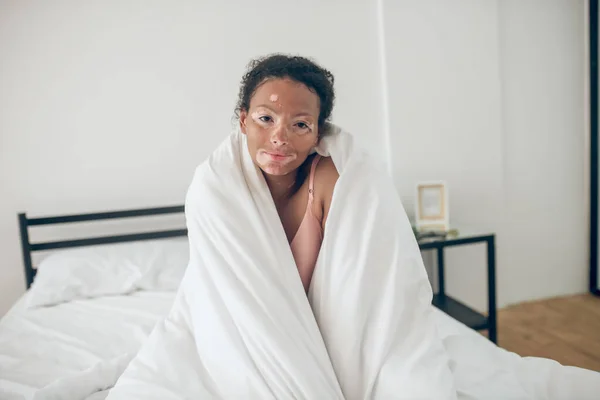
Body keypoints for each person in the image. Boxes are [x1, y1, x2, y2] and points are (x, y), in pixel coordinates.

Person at [236, 54, 339, 293]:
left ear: (318, 134)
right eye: (265, 119)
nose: (279, 138)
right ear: (243, 121)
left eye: (301, 125)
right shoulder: (221, 184)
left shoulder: (325, 179)